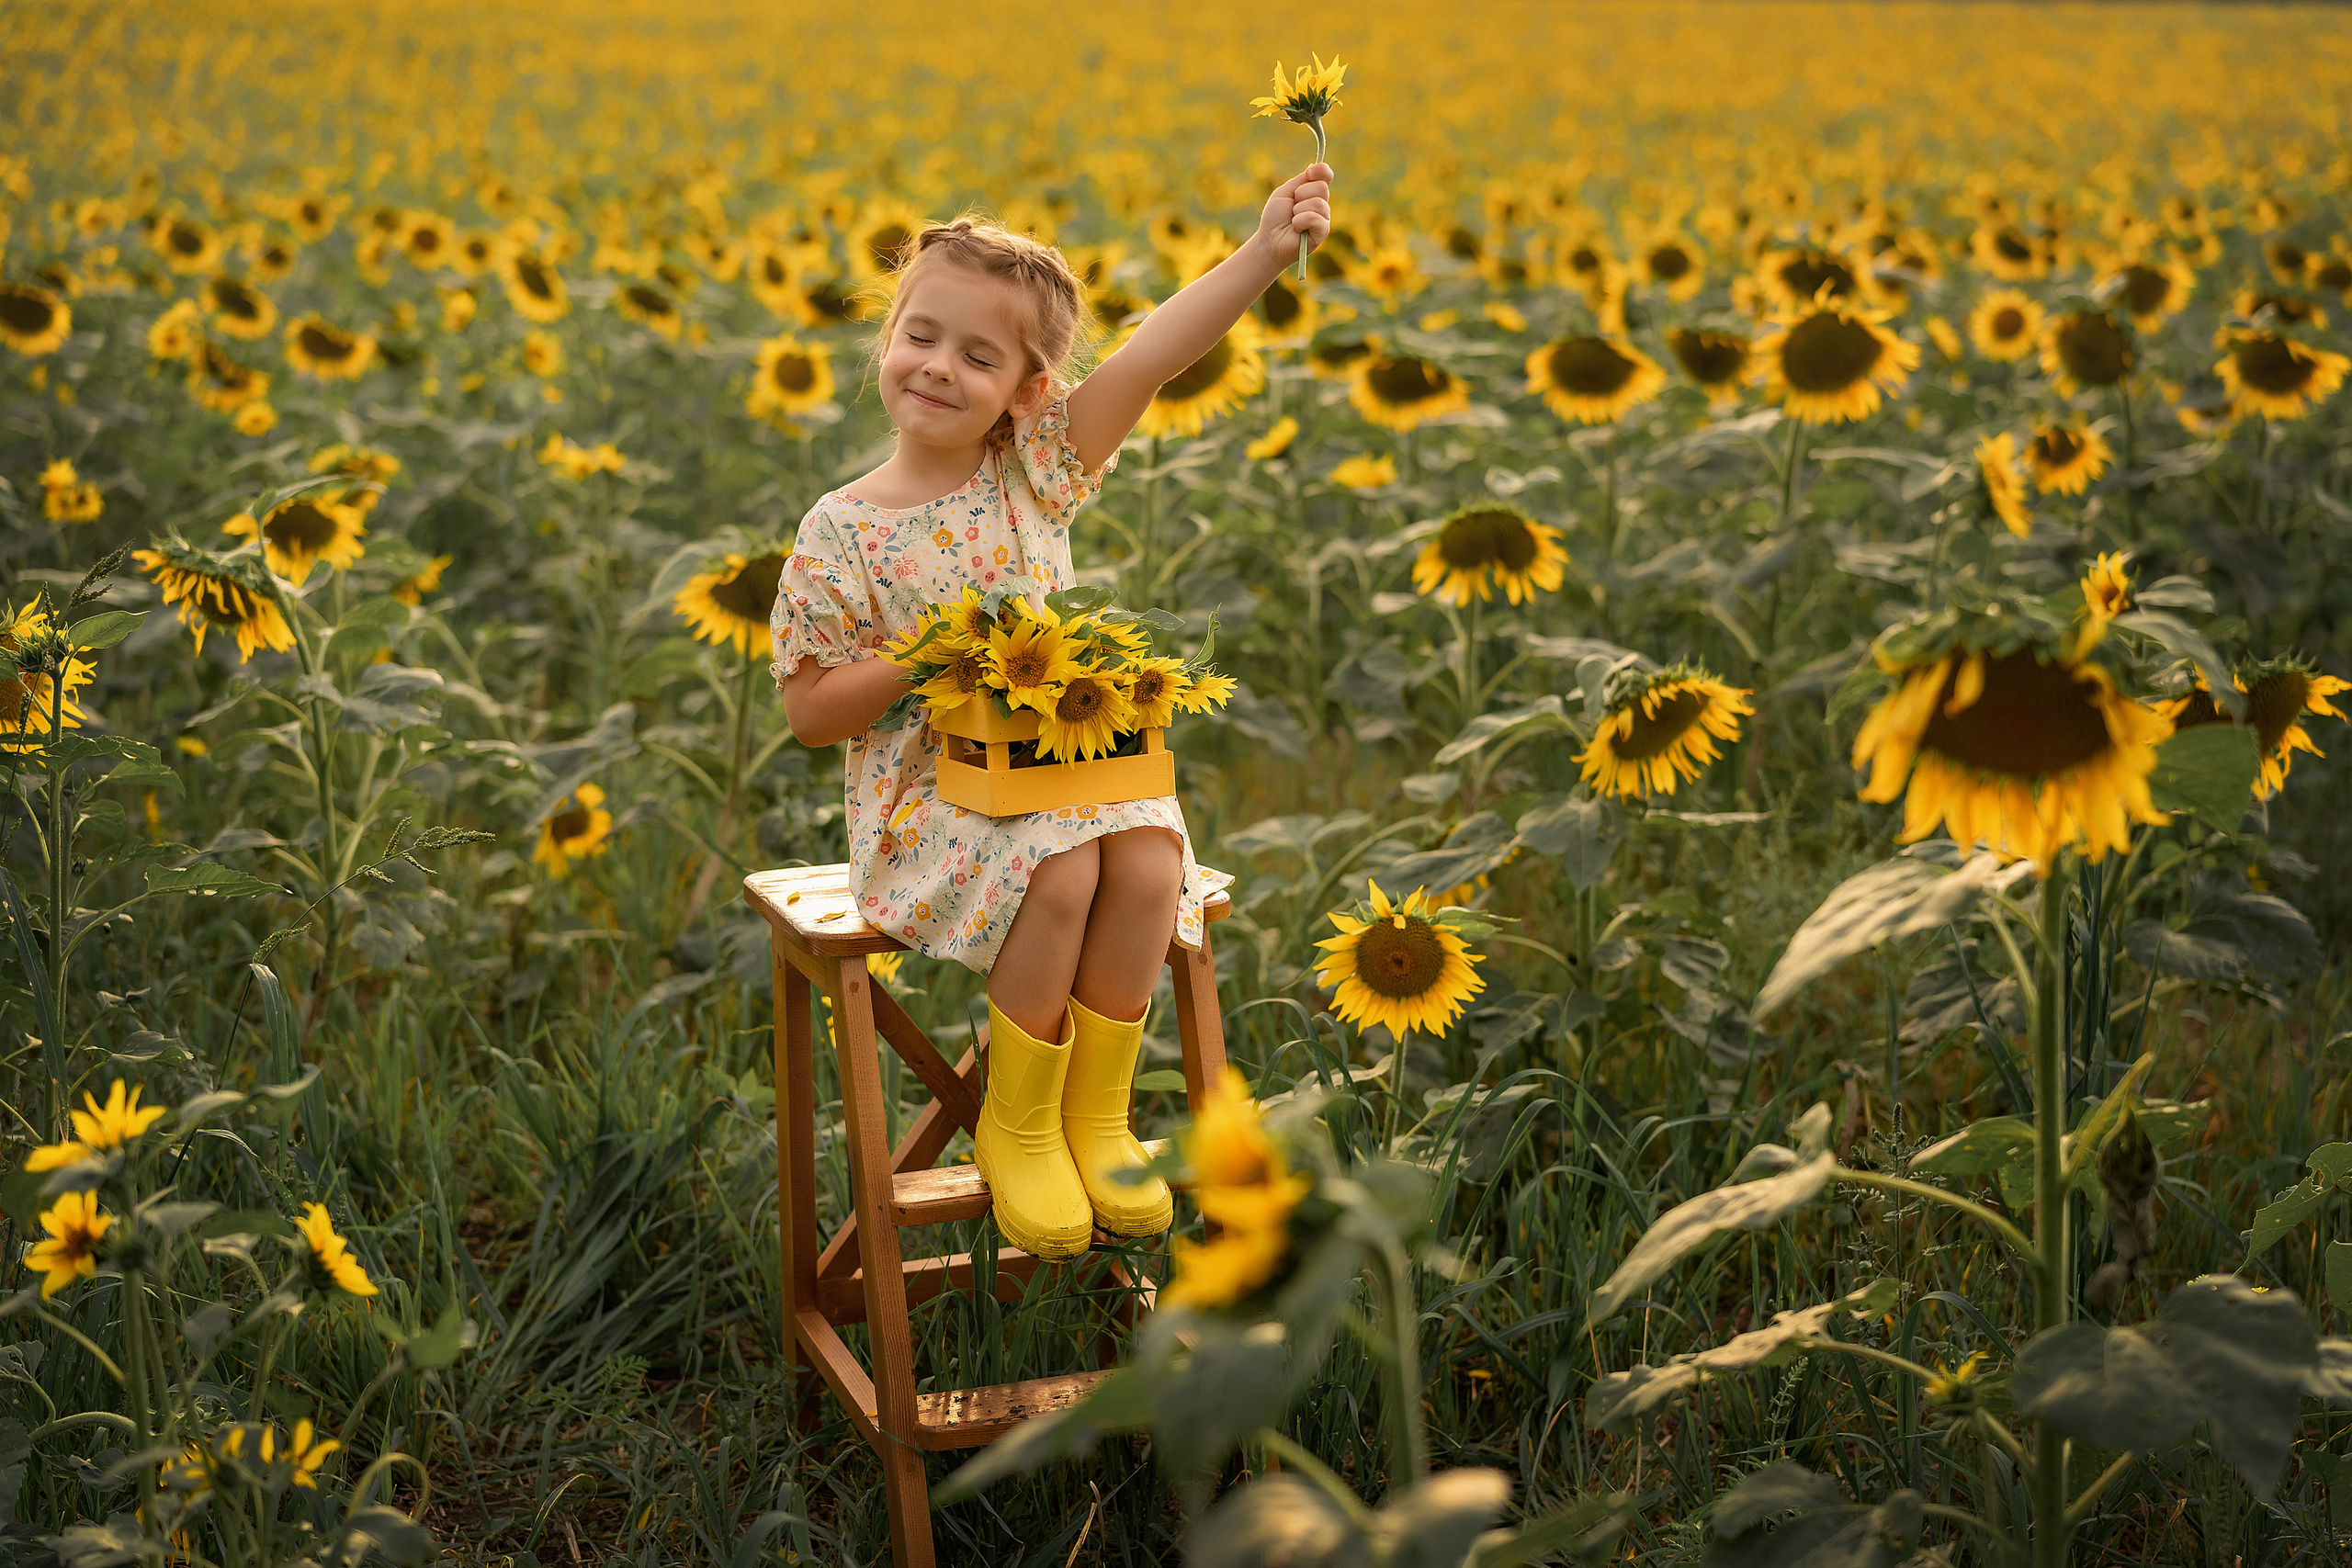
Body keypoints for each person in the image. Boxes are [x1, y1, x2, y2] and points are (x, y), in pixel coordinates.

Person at [771, 165, 1333, 1262]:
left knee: (1145, 858)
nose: (939, 368)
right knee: (1070, 865)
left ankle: (1096, 1114)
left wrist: (1264, 252)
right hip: (923, 811)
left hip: (1059, 775)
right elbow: (809, 713)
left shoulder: (1036, 472)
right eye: (921, 337)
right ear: (888, 338)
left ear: (1027, 392)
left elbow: (1151, 357)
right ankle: (1017, 1129)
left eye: (980, 357)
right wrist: (918, 660)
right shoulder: (839, 532)